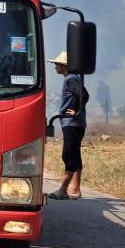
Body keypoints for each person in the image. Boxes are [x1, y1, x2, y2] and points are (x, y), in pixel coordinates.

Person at [49, 52, 87, 200]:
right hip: (74, 123)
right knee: (75, 154)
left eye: (57, 64)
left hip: (72, 123)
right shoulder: (72, 78)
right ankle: (75, 189)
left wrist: (76, 110)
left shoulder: (71, 79)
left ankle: (63, 189)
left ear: (64, 66)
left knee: (68, 154)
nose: (55, 67)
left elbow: (84, 95)